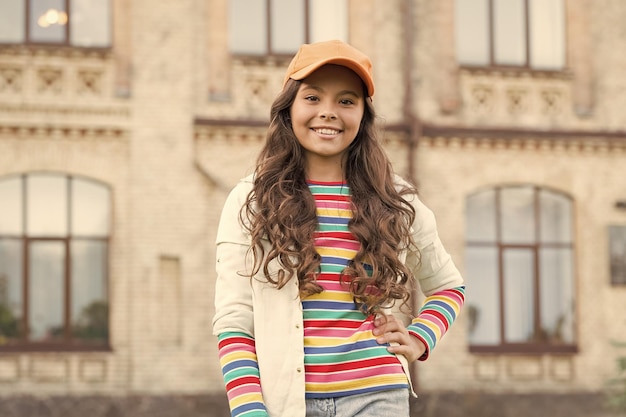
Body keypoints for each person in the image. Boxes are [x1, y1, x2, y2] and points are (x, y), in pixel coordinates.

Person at [213, 39, 465, 417]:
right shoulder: (250, 200)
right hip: (289, 403)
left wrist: (417, 338)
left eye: (346, 101)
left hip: (378, 394)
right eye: (313, 98)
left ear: (363, 115)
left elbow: (449, 287)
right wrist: (249, 410)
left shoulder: (396, 200)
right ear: (289, 109)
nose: (328, 113)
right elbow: (234, 321)